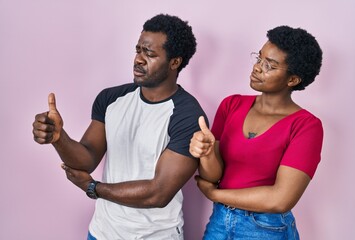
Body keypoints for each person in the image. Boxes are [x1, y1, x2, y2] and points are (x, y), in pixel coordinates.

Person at [32, 14, 207, 240]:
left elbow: (159, 193)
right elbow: (86, 158)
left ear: (175, 62)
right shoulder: (111, 99)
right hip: (102, 232)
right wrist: (59, 138)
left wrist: (94, 188)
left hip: (155, 236)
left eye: (150, 54)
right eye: (138, 50)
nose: (139, 60)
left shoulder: (188, 115)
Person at [189, 25, 323, 240]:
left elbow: (280, 199)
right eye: (259, 58)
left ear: (293, 80)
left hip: (266, 228)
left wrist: (215, 194)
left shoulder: (306, 126)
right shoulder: (231, 105)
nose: (257, 68)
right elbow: (213, 176)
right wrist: (206, 153)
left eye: (269, 65)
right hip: (219, 221)